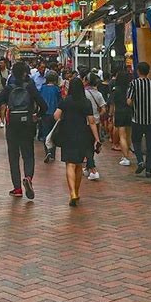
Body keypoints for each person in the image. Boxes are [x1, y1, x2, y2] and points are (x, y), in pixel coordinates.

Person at [0, 60, 47, 199]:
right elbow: (43, 106)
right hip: (27, 124)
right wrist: (37, 115)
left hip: (12, 125)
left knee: (13, 156)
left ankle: (17, 188)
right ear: (25, 73)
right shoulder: (30, 87)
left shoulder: (9, 88)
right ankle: (28, 177)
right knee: (28, 154)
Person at [53, 77, 101, 206]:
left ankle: (72, 193)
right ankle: (77, 192)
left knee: (70, 164)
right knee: (79, 164)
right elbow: (91, 122)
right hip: (82, 134)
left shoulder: (66, 101)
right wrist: (97, 139)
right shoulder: (86, 102)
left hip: (67, 134)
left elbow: (56, 116)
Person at [127, 61, 151, 178]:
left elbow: (129, 101)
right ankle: (149, 170)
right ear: (148, 71)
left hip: (137, 119)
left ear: (138, 71)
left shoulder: (134, 83)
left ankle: (140, 161)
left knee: (136, 141)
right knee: (150, 145)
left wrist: (134, 106)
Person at [83, 72, 106, 180]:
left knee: (87, 146)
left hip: (85, 122)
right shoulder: (99, 94)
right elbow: (103, 109)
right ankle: (88, 168)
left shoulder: (83, 93)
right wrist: (97, 116)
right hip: (95, 123)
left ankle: (93, 169)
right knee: (91, 145)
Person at [112, 62, 134, 166]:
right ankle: (126, 154)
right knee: (128, 136)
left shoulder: (116, 90)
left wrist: (111, 115)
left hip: (120, 113)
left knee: (122, 136)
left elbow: (113, 104)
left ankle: (125, 157)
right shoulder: (130, 89)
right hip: (129, 112)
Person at [39, 72, 62, 162]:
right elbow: (60, 101)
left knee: (45, 133)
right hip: (55, 113)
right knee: (54, 133)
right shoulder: (57, 89)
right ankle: (52, 153)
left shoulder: (43, 88)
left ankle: (47, 151)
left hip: (45, 114)